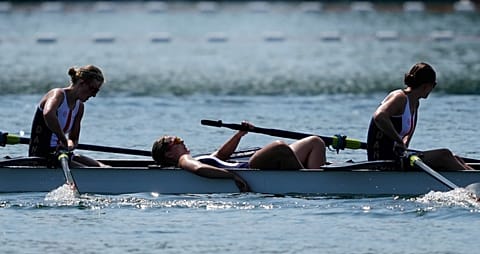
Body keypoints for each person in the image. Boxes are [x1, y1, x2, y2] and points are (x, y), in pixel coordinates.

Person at [151, 122, 327, 192]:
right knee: (279, 147)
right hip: (249, 168)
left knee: (315, 142)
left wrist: (239, 134)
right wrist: (232, 176)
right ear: (169, 153)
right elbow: (199, 169)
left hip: (250, 165)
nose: (182, 141)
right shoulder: (184, 160)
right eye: (177, 141)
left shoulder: (196, 157)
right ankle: (310, 179)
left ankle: (315, 176)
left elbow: (221, 155)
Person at [367, 62, 472, 170]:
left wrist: (404, 143)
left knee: (455, 158)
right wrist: (398, 140)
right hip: (382, 160)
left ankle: (473, 179)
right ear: (426, 85)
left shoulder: (415, 103)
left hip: (397, 156)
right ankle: (472, 180)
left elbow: (407, 137)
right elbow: (379, 116)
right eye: (434, 85)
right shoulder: (399, 97)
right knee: (444, 155)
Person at [28, 65, 107, 168]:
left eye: (97, 91)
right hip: (41, 157)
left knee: (103, 167)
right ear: (81, 83)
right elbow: (48, 114)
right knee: (86, 171)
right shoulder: (57, 94)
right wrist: (63, 139)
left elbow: (73, 139)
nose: (94, 95)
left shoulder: (80, 107)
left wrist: (69, 145)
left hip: (61, 155)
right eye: (93, 90)